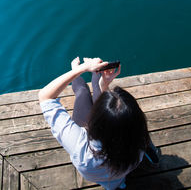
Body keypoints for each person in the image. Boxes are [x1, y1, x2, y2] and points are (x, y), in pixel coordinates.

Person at [39, 57, 158, 190]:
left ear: (94, 120)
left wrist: (80, 69)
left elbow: (45, 97)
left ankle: (80, 68)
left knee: (82, 92)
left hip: (97, 169)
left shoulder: (81, 149)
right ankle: (97, 76)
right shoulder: (138, 142)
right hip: (121, 174)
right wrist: (104, 85)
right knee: (97, 86)